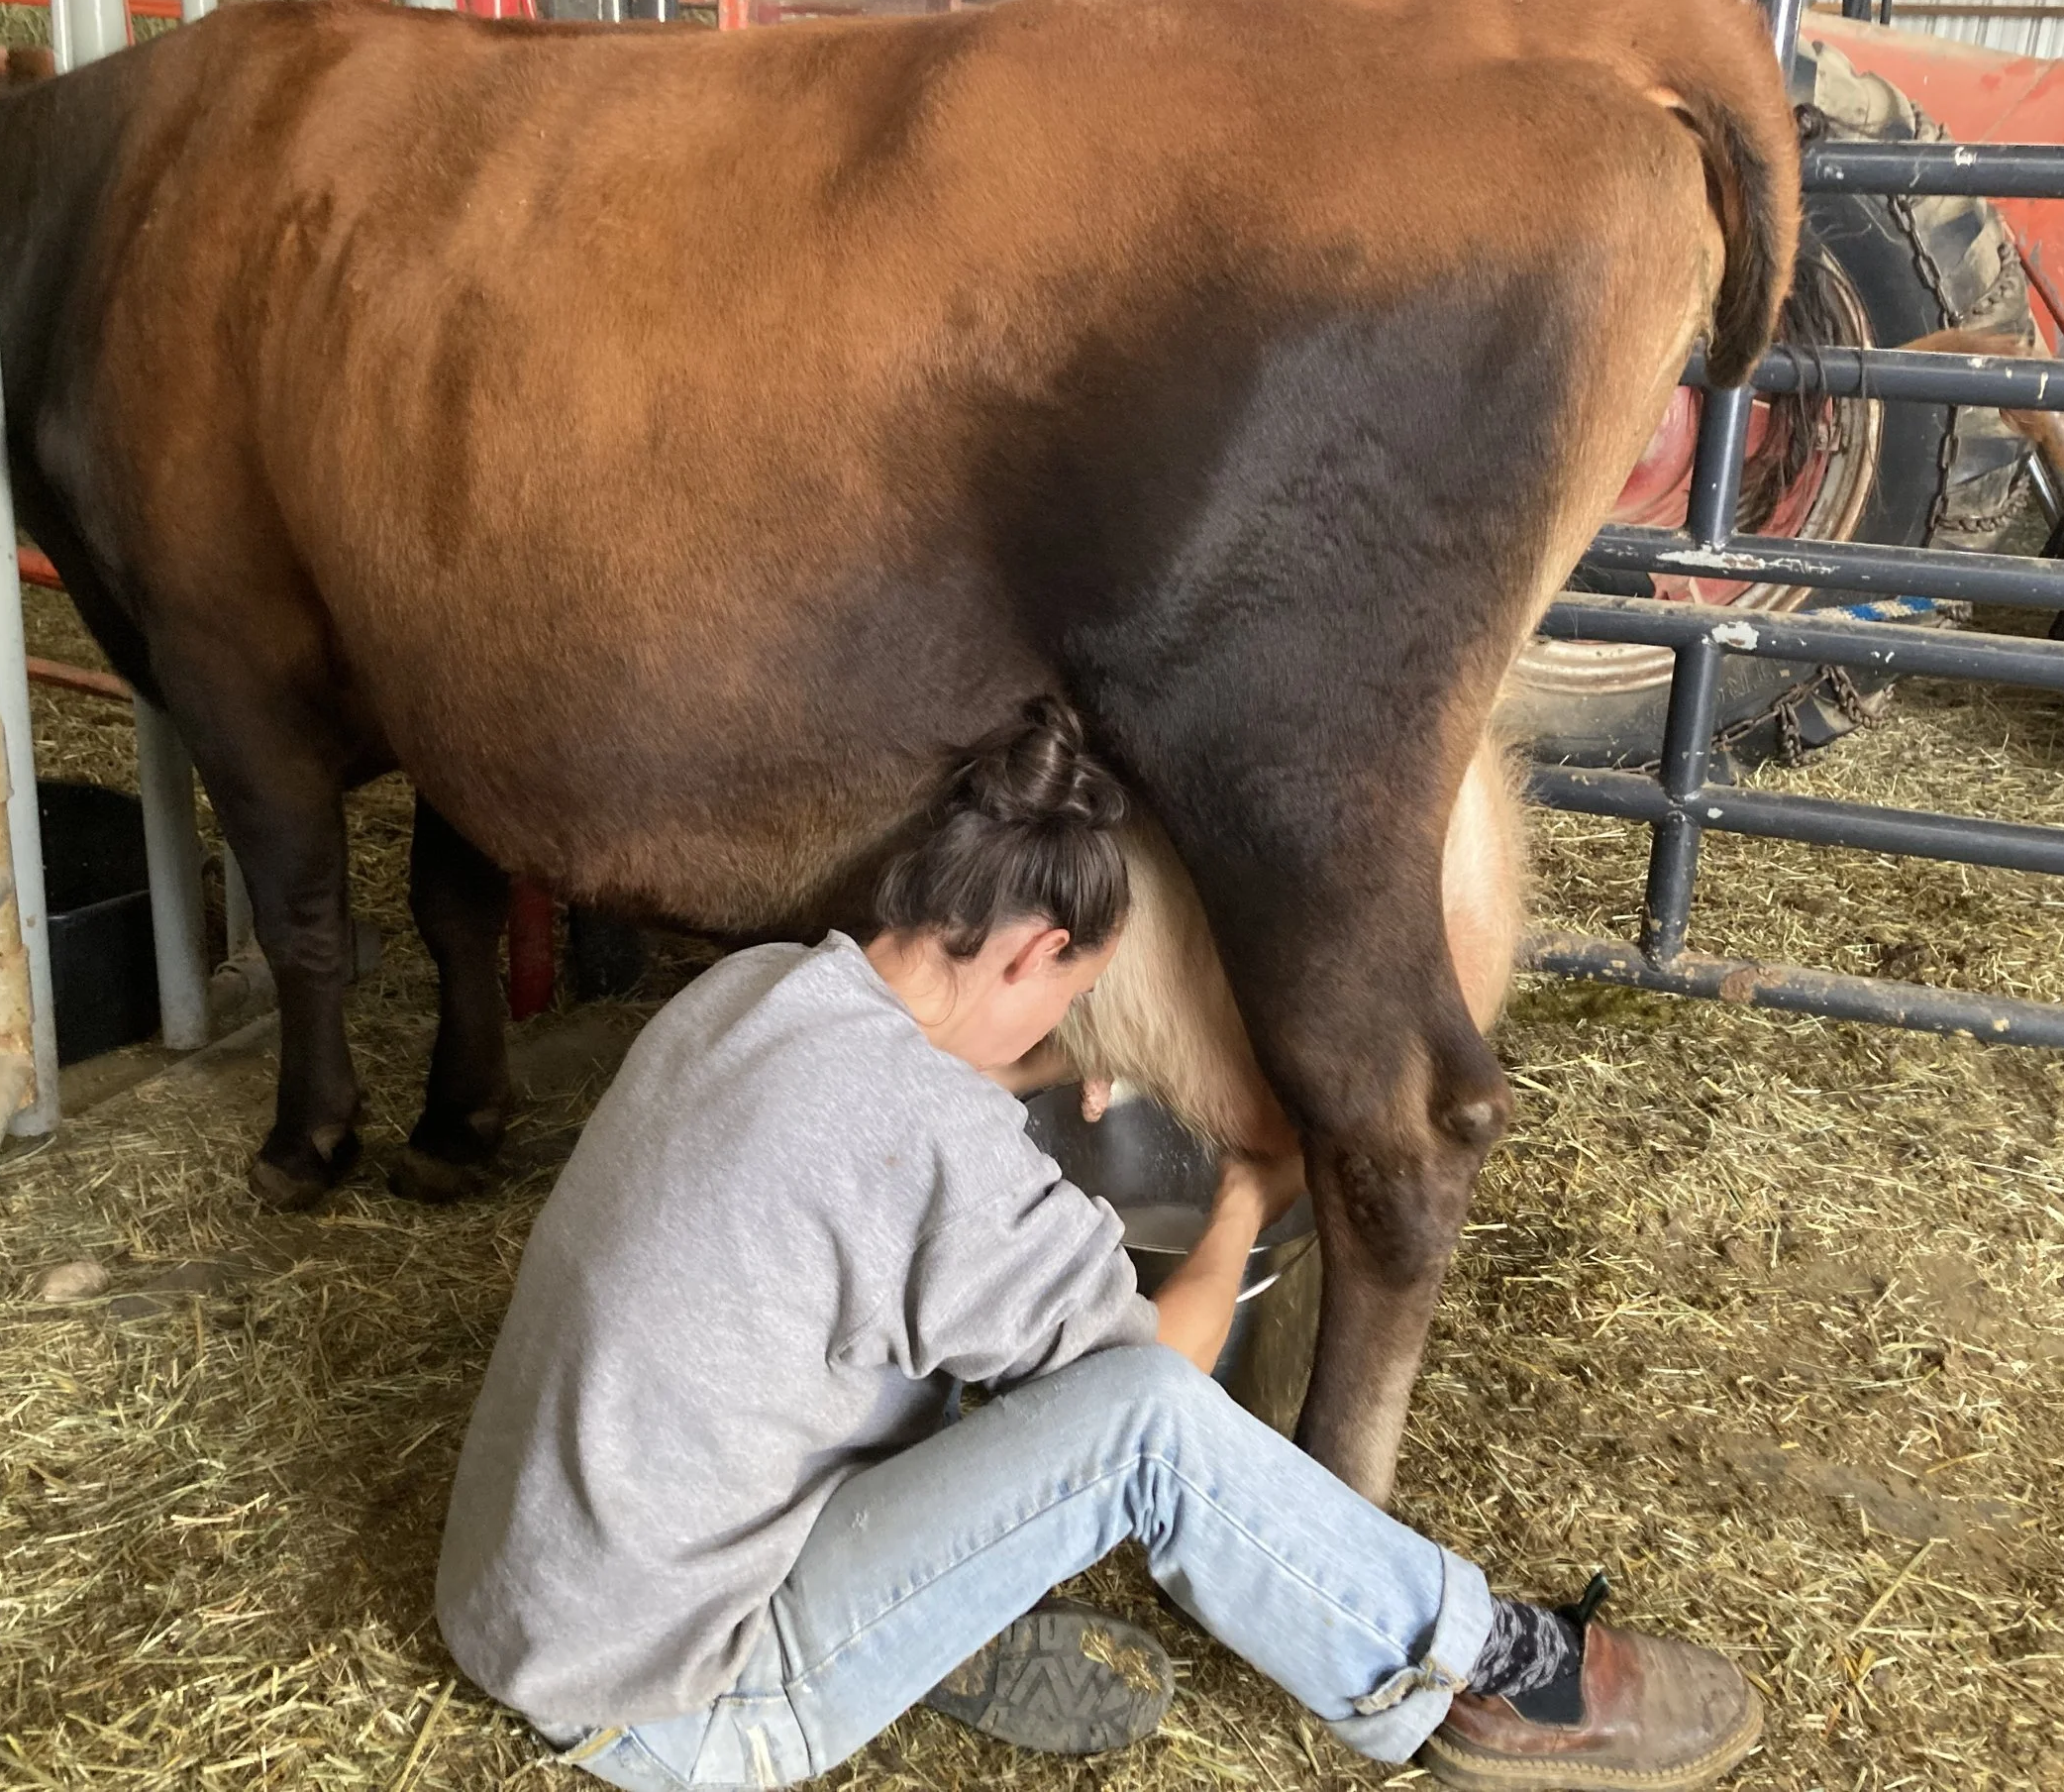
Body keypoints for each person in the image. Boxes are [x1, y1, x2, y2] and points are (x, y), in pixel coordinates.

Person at [435, 698, 1762, 1792]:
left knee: (920, 1327)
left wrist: (1044, 1053)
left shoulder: (758, 988)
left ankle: (927, 1615)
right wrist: (1252, 1189)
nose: (1081, 1033)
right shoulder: (935, 1151)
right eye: (1082, 994)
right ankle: (1477, 1667)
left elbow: (883, 1115)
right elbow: (1154, 1384)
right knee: (1128, 1419)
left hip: (523, 1608)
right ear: (1039, 950)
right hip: (682, 1701)